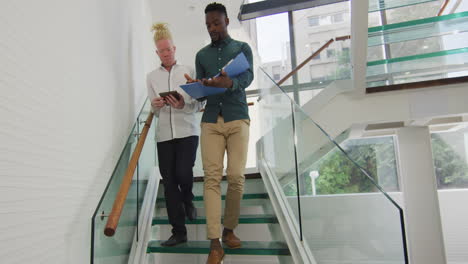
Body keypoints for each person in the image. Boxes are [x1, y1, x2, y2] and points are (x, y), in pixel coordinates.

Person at [185, 3, 254, 263]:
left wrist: (231, 83)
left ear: (226, 20)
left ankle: (229, 230)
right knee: (211, 179)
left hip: (237, 118)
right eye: (208, 25)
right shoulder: (201, 55)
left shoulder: (242, 49)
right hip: (211, 121)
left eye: (216, 23)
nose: (212, 28)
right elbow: (203, 93)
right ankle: (214, 243)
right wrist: (198, 86)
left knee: (236, 176)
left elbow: (248, 78)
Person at [147, 23, 203, 247]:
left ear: (175, 48)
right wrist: (156, 105)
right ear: (157, 53)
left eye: (169, 49)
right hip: (164, 137)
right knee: (169, 183)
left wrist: (182, 105)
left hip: (187, 131)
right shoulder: (151, 77)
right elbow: (154, 110)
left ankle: (188, 198)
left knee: (182, 172)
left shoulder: (188, 70)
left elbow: (198, 104)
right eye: (162, 50)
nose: (166, 53)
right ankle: (179, 232)